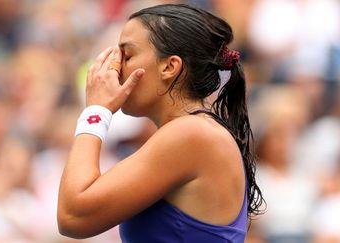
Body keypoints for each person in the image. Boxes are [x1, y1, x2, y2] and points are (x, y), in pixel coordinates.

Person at [58, 3, 264, 242]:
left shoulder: (191, 134)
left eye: (127, 55)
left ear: (170, 66)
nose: (115, 68)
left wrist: (96, 111)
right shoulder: (194, 132)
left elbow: (73, 215)